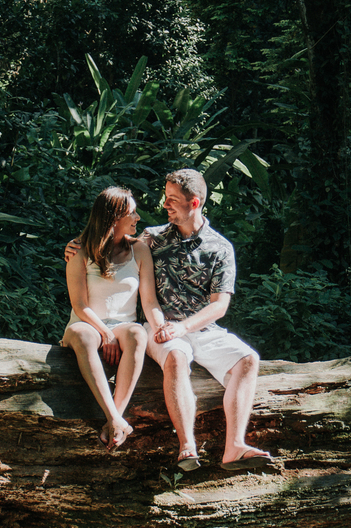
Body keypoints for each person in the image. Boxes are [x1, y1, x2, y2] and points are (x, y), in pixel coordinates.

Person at [68, 170, 273, 472]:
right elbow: (107, 242)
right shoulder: (153, 237)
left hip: (201, 327)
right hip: (161, 327)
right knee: (176, 356)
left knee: (249, 360)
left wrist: (186, 326)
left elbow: (221, 305)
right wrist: (74, 246)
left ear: (195, 203)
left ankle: (234, 447)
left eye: (173, 200)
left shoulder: (220, 248)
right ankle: (187, 446)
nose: (166, 205)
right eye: (166, 198)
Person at [62, 187, 159, 449]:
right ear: (113, 218)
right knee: (83, 335)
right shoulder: (80, 250)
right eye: (132, 213)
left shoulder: (139, 250)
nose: (138, 218)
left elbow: (148, 300)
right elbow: (80, 304)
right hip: (86, 323)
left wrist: (160, 325)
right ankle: (115, 418)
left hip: (123, 325)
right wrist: (104, 331)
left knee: (138, 333)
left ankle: (114, 419)